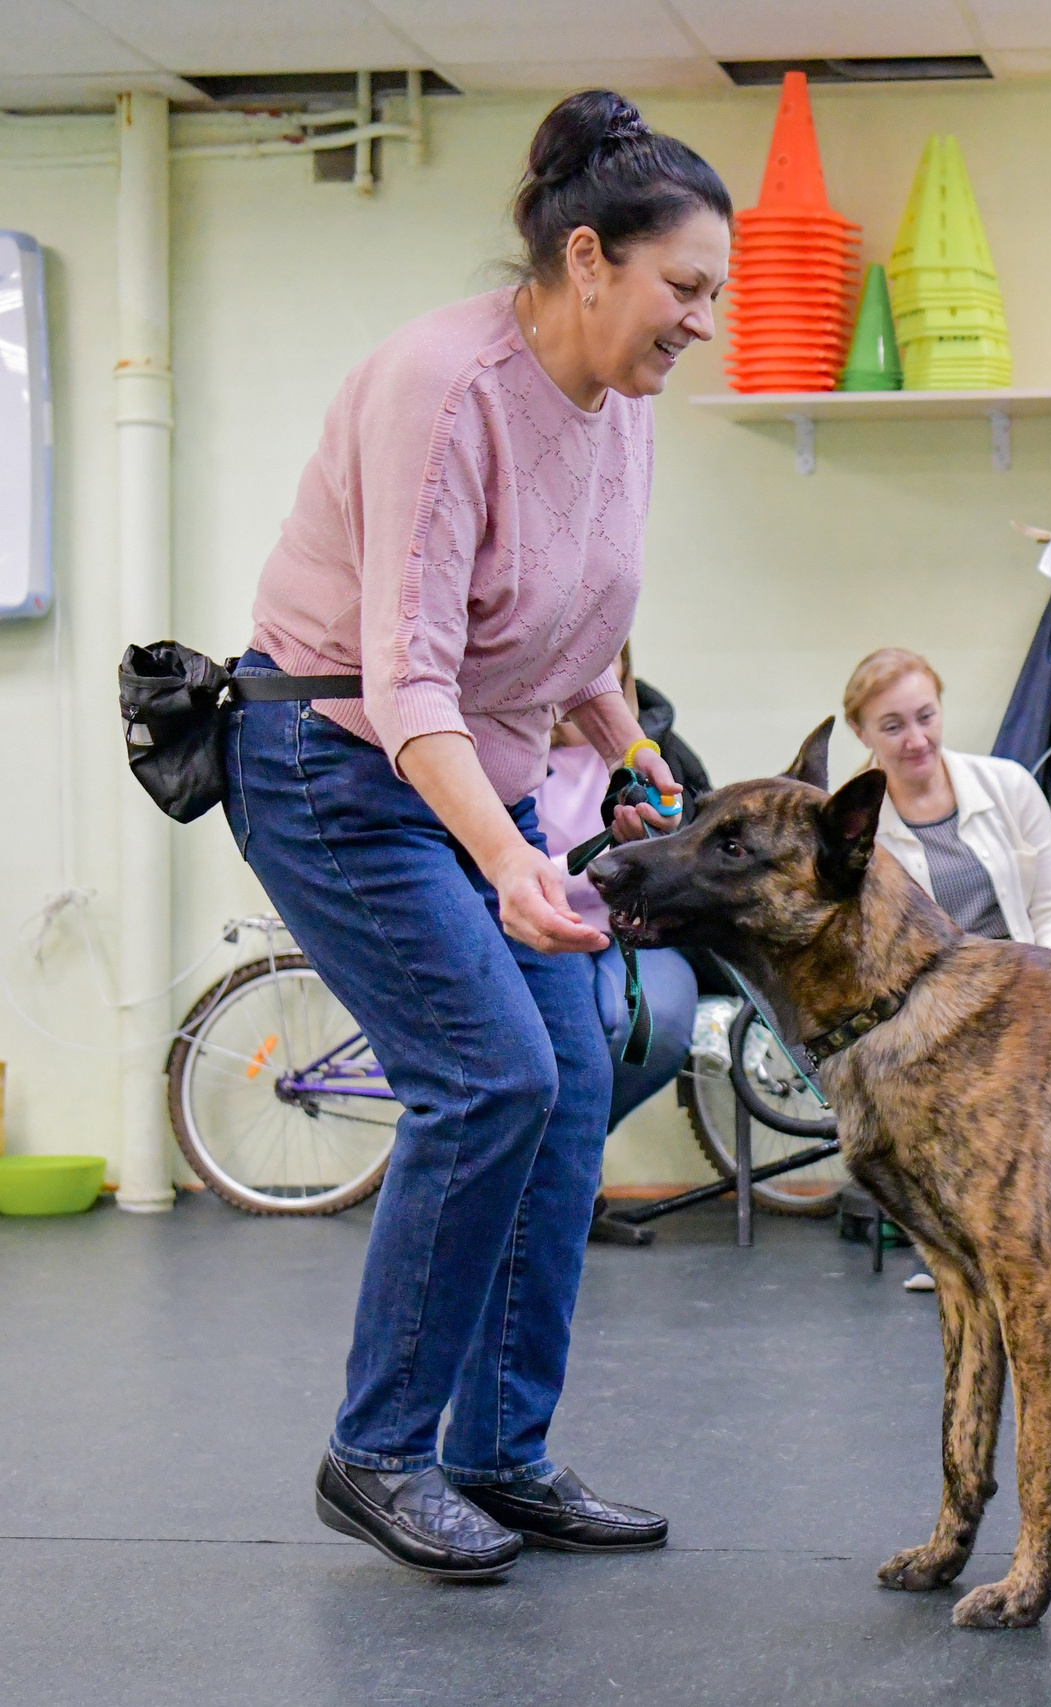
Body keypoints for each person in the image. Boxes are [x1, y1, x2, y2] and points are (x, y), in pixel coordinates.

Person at [222, 90, 729, 1582]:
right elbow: (407, 677)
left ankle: (498, 1451)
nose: (699, 321)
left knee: (576, 1075)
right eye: (683, 287)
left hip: (480, 767)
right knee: (488, 1071)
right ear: (589, 259)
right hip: (333, 759)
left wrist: (633, 759)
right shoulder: (444, 388)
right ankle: (374, 1451)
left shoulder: (621, 410)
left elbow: (576, 634)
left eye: (713, 293)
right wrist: (511, 859)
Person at [841, 648, 1051, 1292]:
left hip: (1028, 993)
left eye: (926, 716)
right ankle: (959, 1254)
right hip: (926, 1014)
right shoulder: (858, 828)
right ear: (862, 734)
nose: (916, 739)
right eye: (893, 726)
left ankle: (1033, 1250)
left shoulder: (1007, 786)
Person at [533, 648, 701, 1133]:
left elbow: (695, 855)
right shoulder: (508, 753)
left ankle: (566, 1152)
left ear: (625, 667)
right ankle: (558, 1165)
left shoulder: (663, 749)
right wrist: (603, 866)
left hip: (640, 927)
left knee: (658, 1028)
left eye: (601, 659)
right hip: (542, 930)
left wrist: (653, 846)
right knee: (563, 1039)